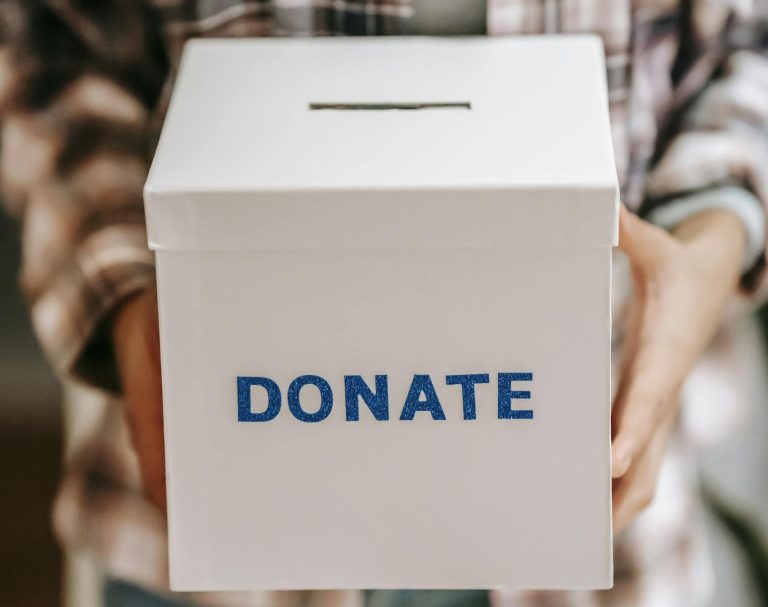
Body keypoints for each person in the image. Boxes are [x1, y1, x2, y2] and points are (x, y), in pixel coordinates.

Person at [1, 1, 767, 606]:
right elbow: (40, 43)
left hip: (591, 530)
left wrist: (712, 238)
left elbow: (749, 47)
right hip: (207, 529)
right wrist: (127, 291)